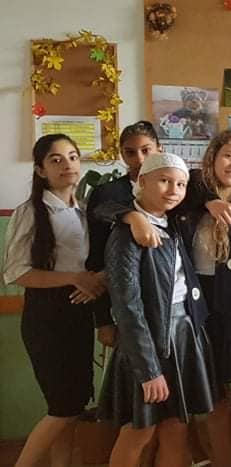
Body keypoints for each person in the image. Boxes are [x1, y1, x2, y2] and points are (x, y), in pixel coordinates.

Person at [98, 153, 218, 467]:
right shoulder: (126, 234)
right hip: (149, 343)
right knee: (140, 430)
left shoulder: (173, 222)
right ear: (142, 181)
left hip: (182, 335)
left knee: (176, 428)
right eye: (164, 181)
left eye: (180, 184)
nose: (173, 190)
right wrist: (148, 369)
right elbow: (128, 307)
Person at [3, 134, 107, 467]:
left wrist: (95, 281)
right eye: (56, 159)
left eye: (73, 156)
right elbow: (16, 272)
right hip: (46, 318)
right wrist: (74, 278)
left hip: (80, 313)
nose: (67, 164)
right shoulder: (31, 212)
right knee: (63, 408)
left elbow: (100, 264)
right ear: (40, 170)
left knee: (72, 409)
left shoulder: (87, 211)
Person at [87, 120, 164, 350]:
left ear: (159, 149)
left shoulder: (174, 189)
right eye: (130, 152)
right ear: (122, 154)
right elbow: (97, 255)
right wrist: (103, 320)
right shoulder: (107, 193)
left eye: (146, 150)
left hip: (169, 296)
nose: (139, 159)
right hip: (125, 299)